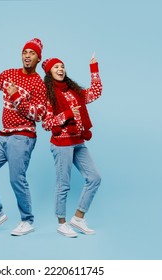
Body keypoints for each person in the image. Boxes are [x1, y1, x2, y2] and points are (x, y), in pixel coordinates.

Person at [0, 38, 46, 236]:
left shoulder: (39, 84)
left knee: (16, 178)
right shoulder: (9, 74)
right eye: (25, 51)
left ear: (38, 58)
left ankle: (27, 220)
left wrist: (16, 97)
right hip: (4, 135)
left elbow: (39, 116)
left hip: (23, 136)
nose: (27, 55)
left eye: (32, 53)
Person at [41, 54, 103, 238]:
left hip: (78, 141)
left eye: (62, 66)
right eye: (56, 67)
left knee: (94, 178)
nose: (60, 69)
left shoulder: (74, 90)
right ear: (49, 72)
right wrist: (67, 113)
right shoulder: (48, 95)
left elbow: (96, 91)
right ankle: (61, 223)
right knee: (63, 184)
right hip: (62, 144)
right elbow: (46, 123)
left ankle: (78, 218)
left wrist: (93, 68)